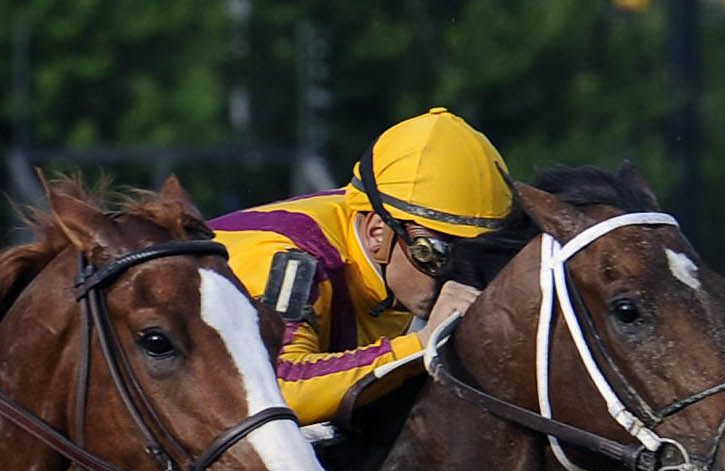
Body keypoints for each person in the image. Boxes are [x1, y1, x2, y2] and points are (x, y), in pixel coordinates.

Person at [206, 108, 513, 425]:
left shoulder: (391, 238)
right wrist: (421, 343)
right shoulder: (295, 262)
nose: (456, 281)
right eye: (436, 255)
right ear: (377, 232)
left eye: (476, 258)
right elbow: (276, 390)